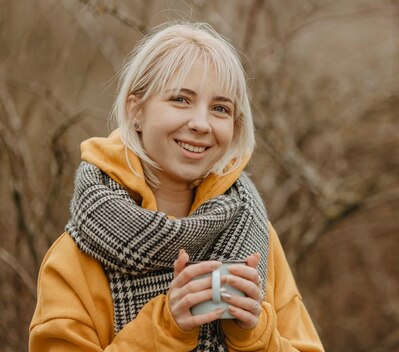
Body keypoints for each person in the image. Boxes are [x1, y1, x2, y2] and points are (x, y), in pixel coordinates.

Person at [29, 22, 324, 351]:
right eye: (181, 99)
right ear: (136, 110)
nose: (201, 124)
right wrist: (166, 328)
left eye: (220, 109)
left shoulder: (255, 233)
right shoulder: (75, 256)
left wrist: (253, 334)